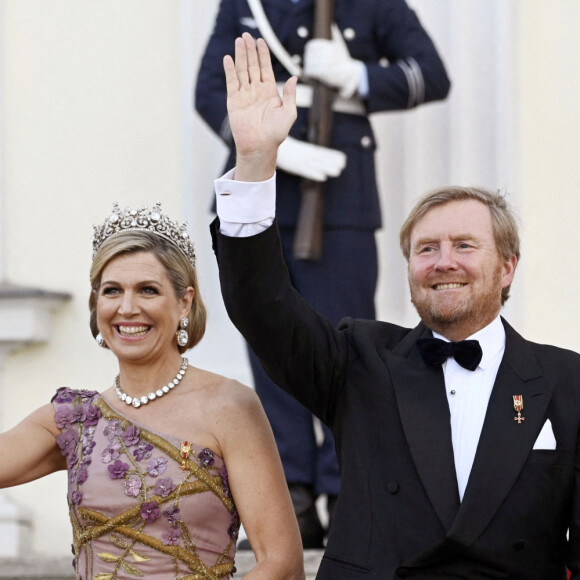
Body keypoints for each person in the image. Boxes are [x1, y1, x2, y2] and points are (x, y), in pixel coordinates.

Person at [210, 34, 580, 578]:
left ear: (507, 267)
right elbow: (261, 305)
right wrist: (256, 159)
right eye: (426, 249)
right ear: (409, 270)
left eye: (464, 245)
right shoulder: (357, 360)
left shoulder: (566, 379)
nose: (443, 261)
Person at [196, 0, 450, 546]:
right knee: (270, 345)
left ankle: (347, 487)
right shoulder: (248, 4)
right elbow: (209, 91)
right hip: (267, 189)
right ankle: (292, 492)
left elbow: (431, 75)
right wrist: (277, 154)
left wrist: (356, 74)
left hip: (343, 201)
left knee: (350, 346)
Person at [0, 201, 304, 580]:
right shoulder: (73, 421)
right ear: (97, 305)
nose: (127, 308)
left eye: (147, 290)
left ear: (184, 303)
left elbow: (283, 562)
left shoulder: (229, 406)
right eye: (112, 291)